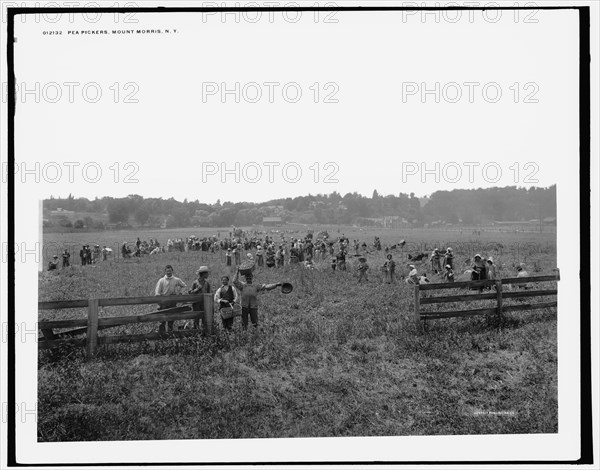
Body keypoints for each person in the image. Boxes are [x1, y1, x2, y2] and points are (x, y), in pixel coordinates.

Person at [154, 265, 187, 333]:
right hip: (163, 302)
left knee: (171, 319)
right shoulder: (161, 280)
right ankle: (161, 334)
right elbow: (157, 291)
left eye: (170, 271)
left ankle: (170, 333)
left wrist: (180, 293)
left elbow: (184, 286)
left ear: (172, 271)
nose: (168, 273)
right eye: (167, 271)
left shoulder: (176, 280)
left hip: (172, 301)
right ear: (165, 271)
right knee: (162, 319)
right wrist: (159, 298)